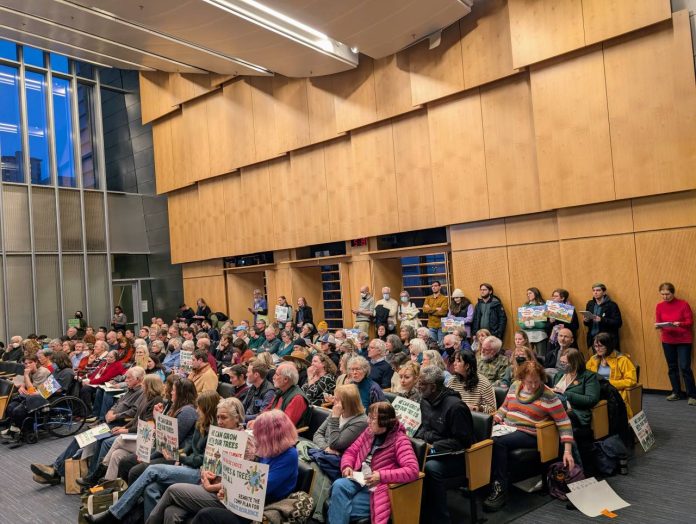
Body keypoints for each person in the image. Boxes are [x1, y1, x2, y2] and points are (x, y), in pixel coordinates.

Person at [85, 391, 221, 523]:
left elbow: (200, 459)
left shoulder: (214, 432)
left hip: (199, 472)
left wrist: (180, 458)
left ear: (208, 409)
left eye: (200, 408)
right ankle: (131, 516)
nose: (197, 411)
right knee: (151, 488)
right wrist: (180, 454)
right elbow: (190, 447)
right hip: (187, 464)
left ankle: (113, 513)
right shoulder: (201, 424)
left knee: (150, 470)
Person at [484, 360, 574, 512]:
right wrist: (495, 420)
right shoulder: (514, 387)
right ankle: (484, 482)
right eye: (529, 382)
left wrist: (567, 450)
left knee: (497, 442)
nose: (533, 386)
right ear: (521, 379)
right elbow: (505, 408)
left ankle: (500, 489)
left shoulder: (548, 396)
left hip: (530, 433)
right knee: (483, 437)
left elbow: (564, 422)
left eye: (536, 382)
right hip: (507, 428)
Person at [30, 368, 146, 486]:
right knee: (79, 439)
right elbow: (117, 403)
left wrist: (116, 416)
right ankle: (55, 469)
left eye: (129, 378)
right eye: (126, 377)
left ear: (139, 379)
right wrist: (111, 410)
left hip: (119, 425)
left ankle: (57, 471)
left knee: (96, 440)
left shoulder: (141, 393)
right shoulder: (129, 390)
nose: (126, 380)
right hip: (109, 423)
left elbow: (134, 412)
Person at [145, 397, 249, 524]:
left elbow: (242, 482)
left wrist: (211, 487)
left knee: (173, 490)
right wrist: (205, 473)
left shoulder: (246, 443)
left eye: (224, 417)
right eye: (218, 417)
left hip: (223, 495)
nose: (220, 422)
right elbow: (207, 463)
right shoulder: (217, 435)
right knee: (171, 512)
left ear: (237, 418)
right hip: (205, 485)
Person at [187, 410, 299, 524]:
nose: (256, 436)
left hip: (261, 507)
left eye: (259, 433)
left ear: (271, 435)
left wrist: (226, 490)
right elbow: (248, 477)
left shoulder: (290, 455)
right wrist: (226, 490)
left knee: (204, 515)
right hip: (246, 501)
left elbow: (259, 487)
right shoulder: (270, 450)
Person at [328, 401, 419, 524]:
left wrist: (381, 476)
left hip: (378, 487)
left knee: (340, 506)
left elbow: (412, 470)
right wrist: (347, 466)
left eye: (372, 418)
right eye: (368, 417)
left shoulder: (400, 441)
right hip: (359, 478)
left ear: (384, 421)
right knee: (339, 485)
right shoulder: (369, 432)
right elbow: (351, 451)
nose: (368, 421)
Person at [416, 366, 475, 524]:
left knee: (430, 467)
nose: (418, 387)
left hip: (457, 457)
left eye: (421, 384)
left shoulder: (456, 407)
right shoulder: (425, 401)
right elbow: (425, 428)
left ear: (433, 387)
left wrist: (432, 444)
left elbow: (463, 442)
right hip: (433, 447)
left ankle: (441, 518)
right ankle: (419, 512)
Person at [87, 374, 164, 484]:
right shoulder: (146, 397)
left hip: (146, 440)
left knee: (118, 440)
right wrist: (124, 427)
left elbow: (147, 426)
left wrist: (126, 431)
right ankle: (108, 485)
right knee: (116, 454)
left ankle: (96, 474)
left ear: (150, 386)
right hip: (138, 434)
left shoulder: (156, 401)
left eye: (144, 384)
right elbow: (136, 418)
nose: (142, 385)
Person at [655, 282, 695, 404]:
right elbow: (658, 321)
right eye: (662, 294)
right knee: (672, 367)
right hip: (667, 340)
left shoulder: (683, 304)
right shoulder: (659, 306)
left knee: (685, 367)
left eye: (667, 294)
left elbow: (690, 322)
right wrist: (659, 326)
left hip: (683, 340)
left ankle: (692, 395)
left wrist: (679, 323)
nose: (665, 297)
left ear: (673, 293)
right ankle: (676, 392)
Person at [585, 332, 638, 417]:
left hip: (614, 391)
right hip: (596, 390)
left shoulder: (622, 359)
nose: (597, 349)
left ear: (608, 346)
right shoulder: (593, 359)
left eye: (601, 346)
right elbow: (586, 375)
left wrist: (609, 384)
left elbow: (631, 380)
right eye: (595, 346)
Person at [2, 354, 51, 437]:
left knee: (18, 410)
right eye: (25, 363)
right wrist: (21, 386)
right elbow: (23, 383)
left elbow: (32, 389)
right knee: (11, 406)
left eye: (30, 363)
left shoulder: (42, 372)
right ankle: (15, 427)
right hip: (31, 395)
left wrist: (26, 375)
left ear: (35, 362)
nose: (27, 365)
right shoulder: (29, 371)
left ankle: (25, 430)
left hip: (42, 396)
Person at [553, 348, 600, 428]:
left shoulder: (588, 377)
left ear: (575, 363)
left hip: (576, 412)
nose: (561, 365)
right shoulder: (559, 375)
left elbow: (591, 400)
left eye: (564, 363)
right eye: (561, 362)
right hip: (558, 408)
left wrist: (565, 393)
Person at [257, 362, 309, 428]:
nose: (273, 377)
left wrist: (261, 425)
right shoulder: (281, 392)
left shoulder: (297, 398)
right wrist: (257, 421)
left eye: (276, 374)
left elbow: (285, 425)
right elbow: (267, 410)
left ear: (285, 379)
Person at [583, 283, 623, 350]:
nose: (595, 292)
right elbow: (587, 324)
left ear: (604, 292)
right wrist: (586, 321)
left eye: (598, 290)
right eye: (593, 290)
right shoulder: (590, 304)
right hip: (593, 339)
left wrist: (602, 320)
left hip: (607, 340)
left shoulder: (612, 305)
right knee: (596, 360)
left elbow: (618, 323)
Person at [518, 287, 549, 356]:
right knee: (526, 355)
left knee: (542, 356)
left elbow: (543, 324)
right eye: (527, 294)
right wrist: (535, 323)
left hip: (540, 335)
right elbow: (521, 324)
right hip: (527, 334)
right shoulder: (525, 306)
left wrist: (530, 323)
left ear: (536, 293)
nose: (528, 295)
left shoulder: (543, 305)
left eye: (530, 293)